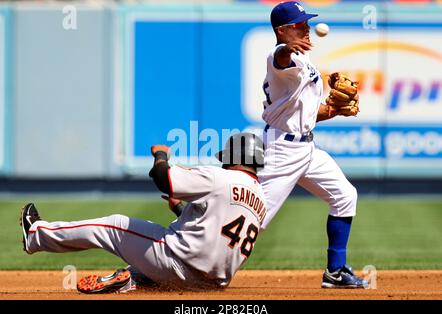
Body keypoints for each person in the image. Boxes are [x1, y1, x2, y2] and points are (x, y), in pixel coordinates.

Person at [20, 133, 267, 293]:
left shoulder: (220, 177)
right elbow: (217, 232)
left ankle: (36, 234)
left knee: (113, 226)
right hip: (210, 285)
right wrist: (179, 209)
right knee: (150, 261)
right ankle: (131, 279)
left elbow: (163, 178)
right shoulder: (261, 201)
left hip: (176, 263)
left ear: (234, 156)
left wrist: (161, 155)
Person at [257, 1, 367, 288]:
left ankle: (336, 271)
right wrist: (286, 48)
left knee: (345, 196)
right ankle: (191, 241)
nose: (306, 29)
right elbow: (280, 58)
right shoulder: (279, 57)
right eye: (299, 25)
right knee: (252, 221)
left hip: (306, 148)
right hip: (281, 150)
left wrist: (333, 109)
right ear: (281, 31)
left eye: (306, 23)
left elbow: (305, 112)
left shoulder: (304, 61)